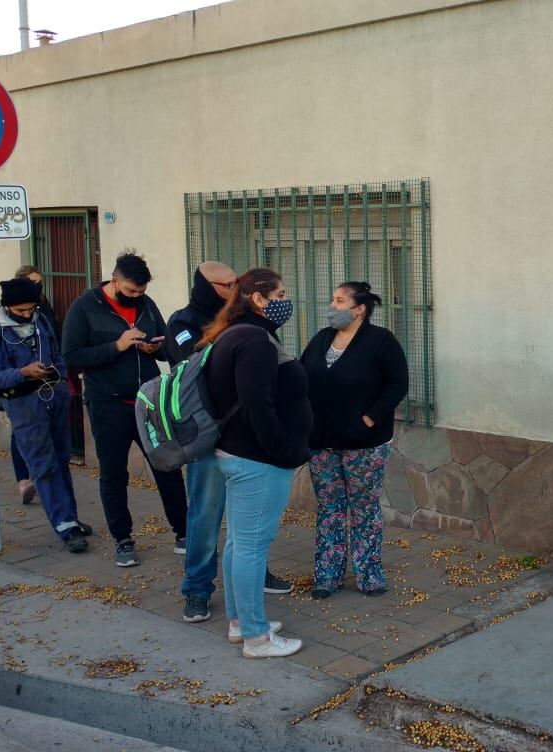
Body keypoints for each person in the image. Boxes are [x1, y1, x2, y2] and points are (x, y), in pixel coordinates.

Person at [172, 261, 295, 623]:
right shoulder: (187, 323)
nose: (230, 288)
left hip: (241, 442)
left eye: (234, 284)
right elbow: (193, 368)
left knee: (246, 532)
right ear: (205, 285)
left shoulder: (250, 326)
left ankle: (250, 583)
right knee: (206, 516)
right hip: (209, 438)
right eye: (224, 284)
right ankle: (196, 589)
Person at [201, 268, 309, 658]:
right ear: (259, 299)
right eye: (279, 293)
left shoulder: (236, 332)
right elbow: (256, 404)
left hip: (240, 455)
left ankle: (239, 623)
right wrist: (280, 449)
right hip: (257, 460)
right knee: (251, 548)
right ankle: (256, 638)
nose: (285, 299)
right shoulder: (253, 340)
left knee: (239, 544)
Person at [62, 252, 187, 568]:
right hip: (109, 404)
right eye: (131, 291)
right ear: (114, 281)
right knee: (114, 474)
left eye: (141, 292)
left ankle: (184, 533)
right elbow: (73, 356)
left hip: (148, 403)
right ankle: (123, 539)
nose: (137, 297)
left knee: (168, 467)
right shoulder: (85, 308)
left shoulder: (145, 304)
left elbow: (161, 341)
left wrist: (153, 348)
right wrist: (117, 346)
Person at [300, 282, 409, 599]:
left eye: (339, 301)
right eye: (332, 299)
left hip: (364, 443)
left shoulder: (381, 341)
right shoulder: (322, 339)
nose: (332, 306)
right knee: (330, 508)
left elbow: (398, 383)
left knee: (363, 508)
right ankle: (327, 575)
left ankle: (369, 574)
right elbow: (303, 375)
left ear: (359, 309)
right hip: (321, 441)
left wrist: (369, 418)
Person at [0, 278, 91, 553]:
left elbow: (56, 353)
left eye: (31, 308)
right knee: (43, 464)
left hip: (54, 395)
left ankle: (71, 517)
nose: (28, 314)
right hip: (23, 402)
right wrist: (22, 372)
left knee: (62, 459)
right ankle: (65, 525)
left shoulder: (40, 319)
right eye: (21, 310)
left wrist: (62, 382)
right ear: (7, 307)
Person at [5, 265, 58, 506]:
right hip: (20, 382)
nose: (38, 287)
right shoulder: (7, 316)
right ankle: (24, 479)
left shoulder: (42, 308)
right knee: (21, 432)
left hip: (47, 381)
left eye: (40, 283)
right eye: (33, 282)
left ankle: (45, 477)